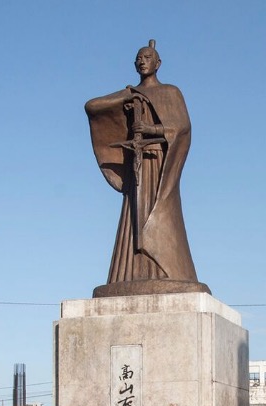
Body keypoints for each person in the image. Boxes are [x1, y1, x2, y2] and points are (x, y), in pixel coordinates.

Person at [85, 40, 209, 298]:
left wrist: (152, 129)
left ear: (158, 63)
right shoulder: (130, 93)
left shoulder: (170, 92)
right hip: (137, 167)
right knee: (134, 216)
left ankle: (166, 270)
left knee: (159, 213)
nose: (143, 61)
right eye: (139, 57)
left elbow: (182, 129)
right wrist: (129, 95)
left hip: (158, 167)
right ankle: (128, 273)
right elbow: (92, 106)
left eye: (148, 57)